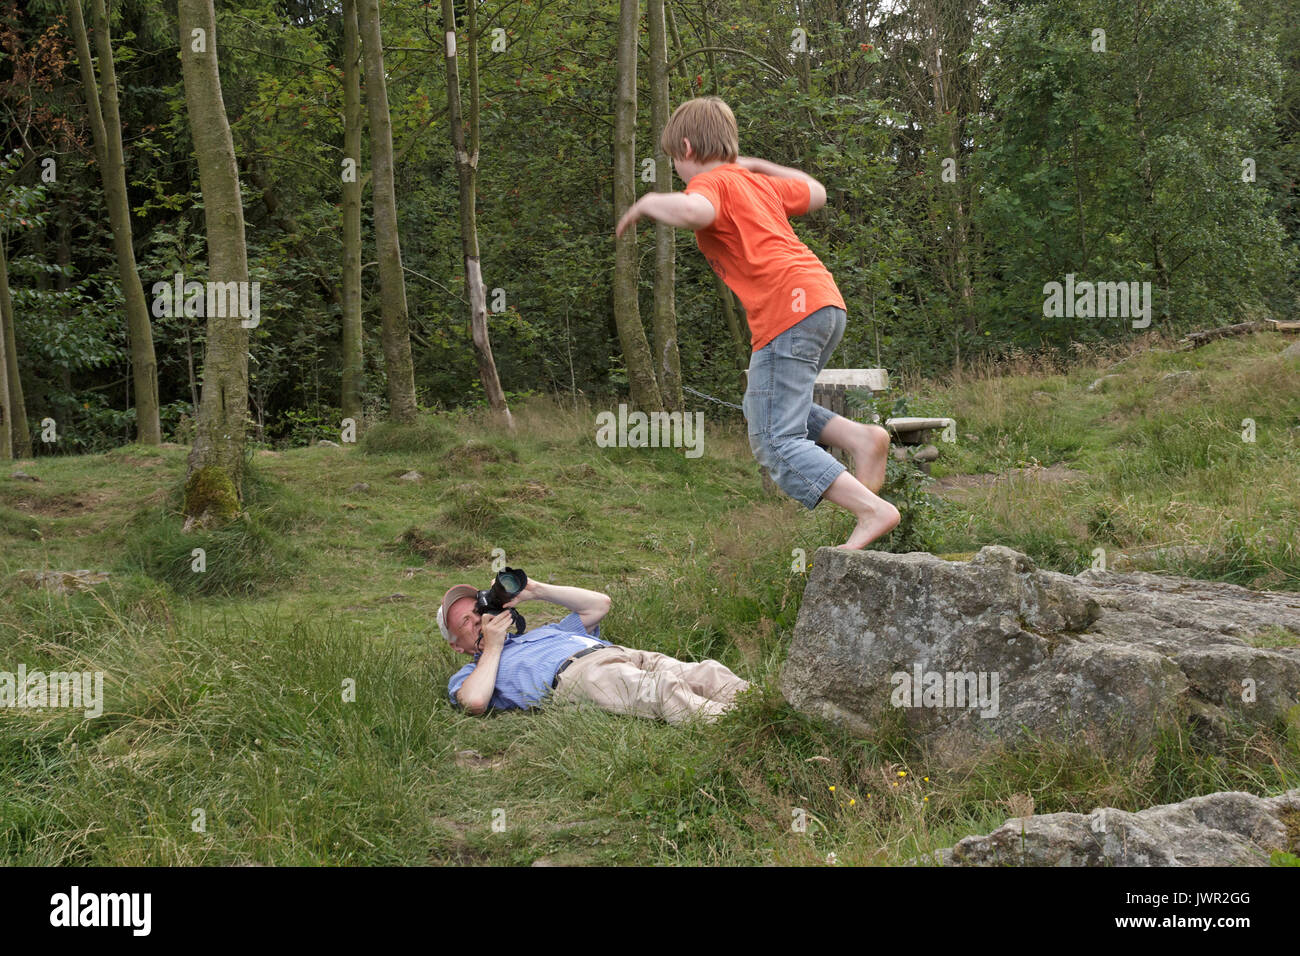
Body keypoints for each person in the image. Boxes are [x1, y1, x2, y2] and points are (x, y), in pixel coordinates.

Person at [615, 96, 898, 550]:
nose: (680, 176)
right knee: (765, 406)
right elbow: (816, 191)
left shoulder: (711, 184)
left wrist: (649, 201)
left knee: (773, 436)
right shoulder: (754, 182)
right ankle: (861, 438)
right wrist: (756, 164)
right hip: (823, 303)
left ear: (686, 148)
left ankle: (873, 510)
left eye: (675, 164)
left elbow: (697, 213)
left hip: (787, 313)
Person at [439, 578, 749, 724]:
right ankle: (743, 728)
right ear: (457, 645)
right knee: (663, 690)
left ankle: (770, 708)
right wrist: (492, 647)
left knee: (708, 671)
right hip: (578, 676)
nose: (478, 620)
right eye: (466, 622)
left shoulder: (546, 632)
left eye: (478, 611)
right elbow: (475, 702)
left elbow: (599, 604)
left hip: (621, 653)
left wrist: (536, 591)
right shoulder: (471, 673)